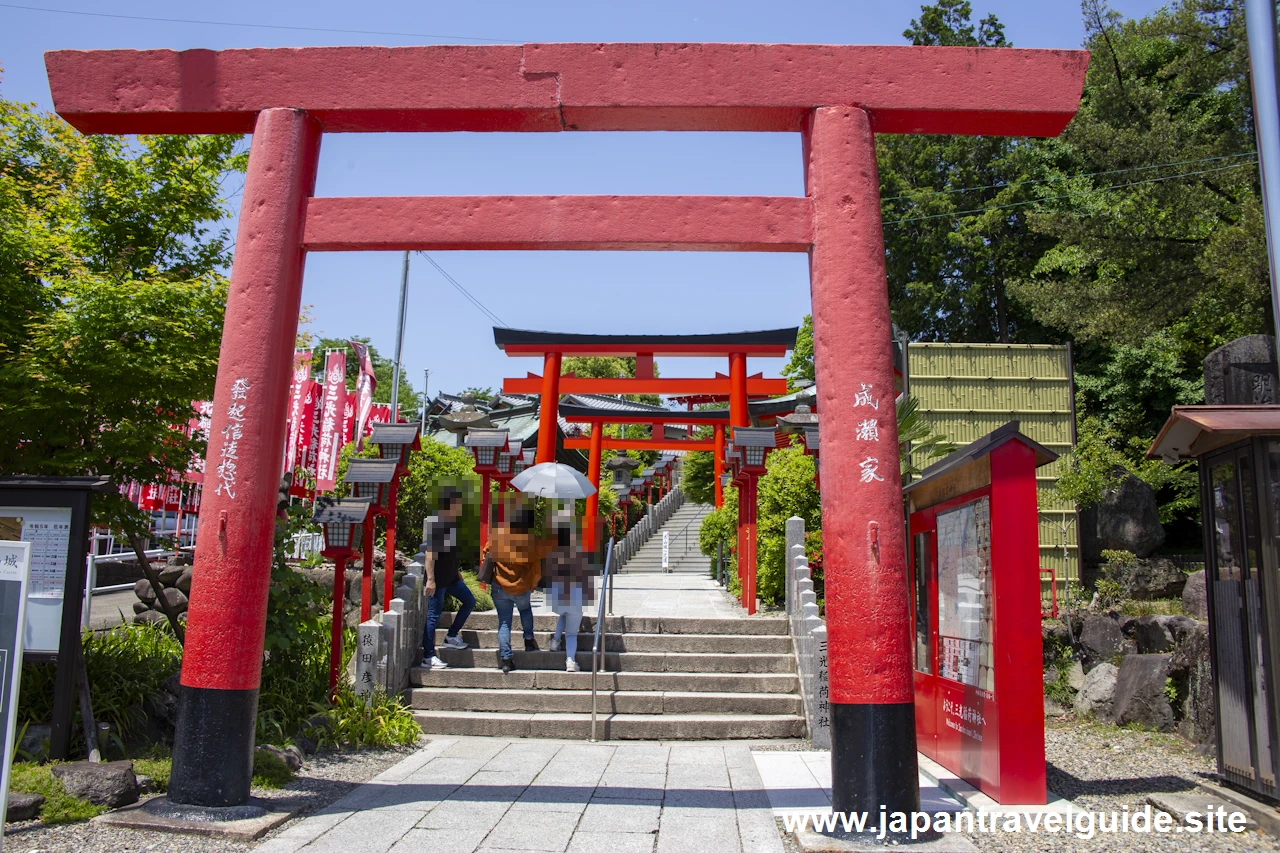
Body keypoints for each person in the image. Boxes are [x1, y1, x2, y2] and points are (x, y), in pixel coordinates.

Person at [419, 486, 475, 671]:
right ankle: (428, 656)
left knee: (469, 601)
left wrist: (457, 571)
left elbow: (451, 552)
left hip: (451, 577)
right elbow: (430, 554)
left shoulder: (452, 524)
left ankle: (451, 636)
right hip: (439, 580)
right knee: (433, 616)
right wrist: (430, 579)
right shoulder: (439, 523)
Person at [485, 505, 542, 674]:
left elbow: (485, 554)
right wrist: (533, 584)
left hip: (500, 585)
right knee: (525, 611)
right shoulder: (531, 541)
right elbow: (537, 567)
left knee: (504, 622)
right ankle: (529, 640)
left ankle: (506, 659)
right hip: (522, 585)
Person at [545, 511, 595, 672]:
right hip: (575, 598)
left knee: (563, 613)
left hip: (558, 597)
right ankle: (570, 661)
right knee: (572, 633)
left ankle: (556, 640)